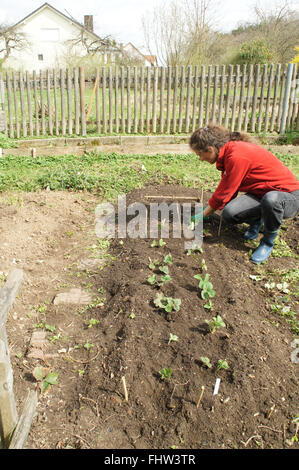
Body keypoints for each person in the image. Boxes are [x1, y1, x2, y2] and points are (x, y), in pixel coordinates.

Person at [189, 124, 299, 264]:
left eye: (200, 154)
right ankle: (257, 222)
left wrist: (205, 214)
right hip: (261, 194)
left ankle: (267, 242)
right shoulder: (229, 153)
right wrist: (211, 208)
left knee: (272, 200)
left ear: (210, 149)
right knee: (230, 213)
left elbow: (227, 190)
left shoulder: (236, 155)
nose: (201, 159)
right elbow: (227, 188)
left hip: (289, 196)